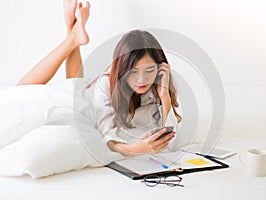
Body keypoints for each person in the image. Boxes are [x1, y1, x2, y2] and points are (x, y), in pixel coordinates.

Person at [17, 0, 182, 157]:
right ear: (122, 69)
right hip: (84, 100)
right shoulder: (107, 83)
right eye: (133, 71)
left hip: (84, 88)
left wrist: (164, 95)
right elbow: (107, 136)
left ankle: (72, 30)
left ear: (160, 67)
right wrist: (134, 149)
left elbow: (172, 141)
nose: (141, 80)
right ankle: (72, 35)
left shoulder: (159, 83)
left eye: (149, 70)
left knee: (74, 81)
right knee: (21, 89)